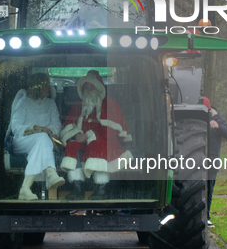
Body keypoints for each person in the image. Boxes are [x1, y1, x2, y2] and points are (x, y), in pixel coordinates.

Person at [60, 70, 133, 200]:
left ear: (98, 87)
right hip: (83, 143)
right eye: (86, 86)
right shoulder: (77, 106)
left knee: (97, 146)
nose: (88, 89)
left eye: (91, 86)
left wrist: (89, 135)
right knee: (71, 146)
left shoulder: (109, 103)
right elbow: (67, 128)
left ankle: (101, 189)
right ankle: (77, 189)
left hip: (105, 142)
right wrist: (76, 135)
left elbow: (110, 131)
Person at [7, 72, 65, 200]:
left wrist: (47, 131)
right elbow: (15, 126)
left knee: (41, 141)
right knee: (42, 138)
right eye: (46, 86)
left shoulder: (50, 104)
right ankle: (51, 172)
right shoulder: (24, 102)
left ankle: (25, 188)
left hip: (44, 140)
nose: (49, 88)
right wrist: (36, 128)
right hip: (23, 141)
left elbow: (57, 125)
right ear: (37, 87)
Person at [204, 97, 227, 228]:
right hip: (196, 161)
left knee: (209, 190)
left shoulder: (219, 120)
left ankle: (206, 216)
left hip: (212, 160)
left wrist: (218, 126)